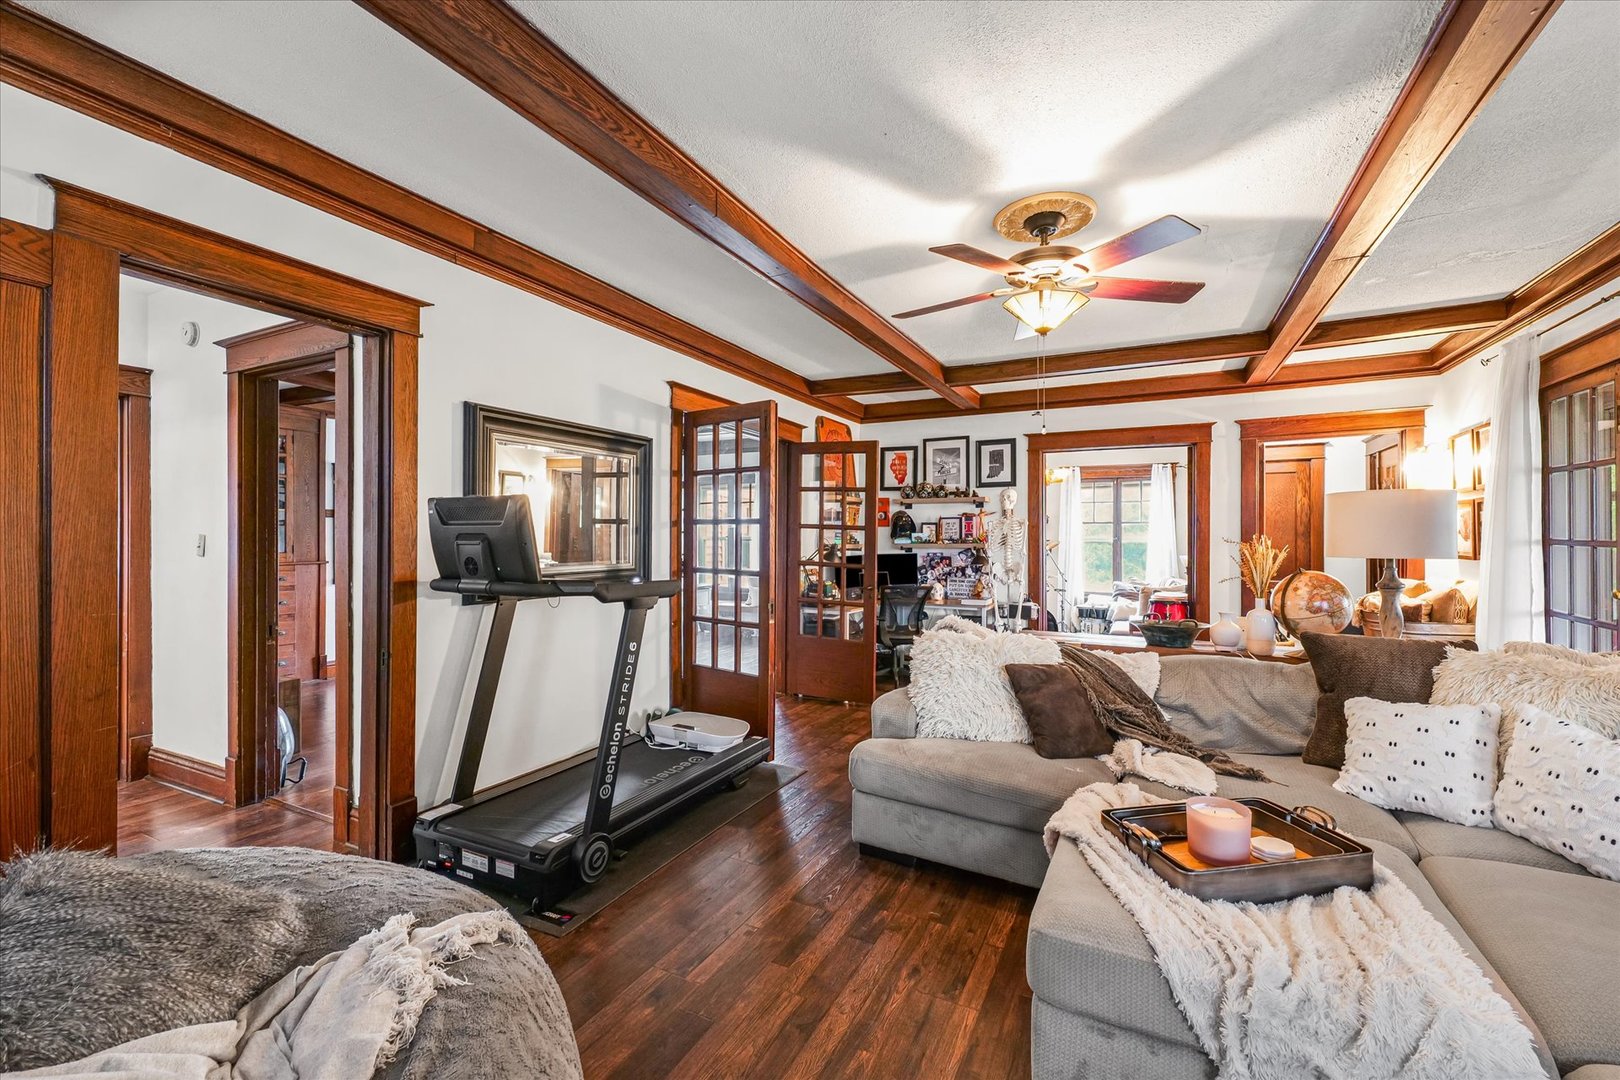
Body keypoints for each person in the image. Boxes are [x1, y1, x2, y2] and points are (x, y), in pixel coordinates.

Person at [983, 487, 1028, 631]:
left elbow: (1022, 550)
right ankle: (998, 620)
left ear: (1014, 501)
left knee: (1021, 580)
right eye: (1002, 498)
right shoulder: (993, 524)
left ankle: (1017, 620)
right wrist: (988, 552)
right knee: (992, 580)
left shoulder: (1022, 523)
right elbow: (991, 549)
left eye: (1008, 498)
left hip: (1014, 566)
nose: (1004, 501)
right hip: (1001, 567)